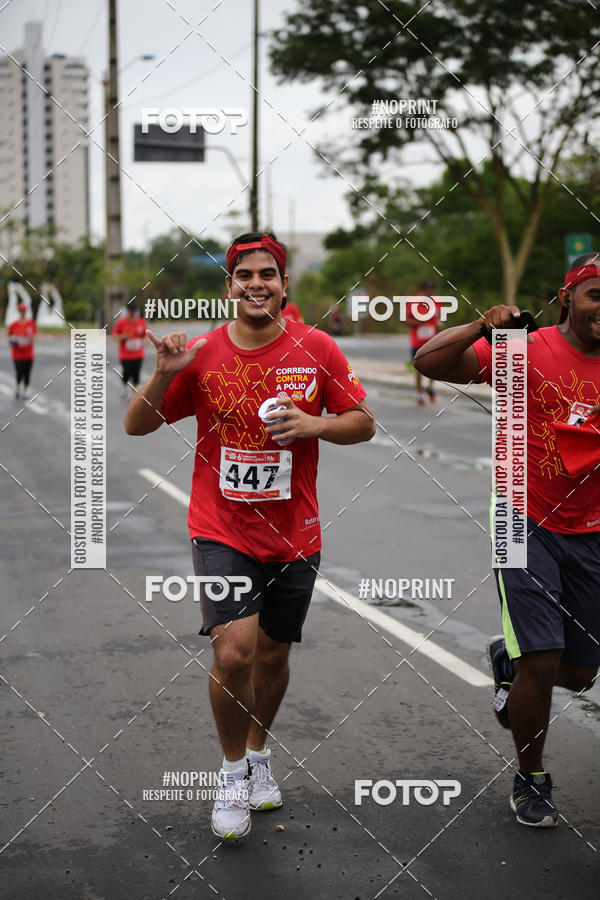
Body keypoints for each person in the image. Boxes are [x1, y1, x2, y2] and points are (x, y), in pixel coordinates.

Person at [124, 232, 375, 839]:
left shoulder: (317, 348)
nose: (256, 283)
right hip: (221, 526)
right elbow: (136, 426)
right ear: (229, 286)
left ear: (284, 285)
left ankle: (259, 755)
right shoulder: (203, 352)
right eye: (245, 275)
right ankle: (232, 772)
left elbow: (363, 423)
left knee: (273, 654)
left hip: (295, 532)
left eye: (268, 274)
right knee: (234, 651)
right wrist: (162, 375)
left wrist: (315, 422)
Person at [413, 253, 600, 828]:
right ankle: (531, 777)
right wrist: (480, 326)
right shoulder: (527, 350)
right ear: (568, 297)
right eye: (597, 294)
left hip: (593, 529)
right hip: (521, 514)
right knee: (542, 661)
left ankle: (504, 659)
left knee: (577, 673)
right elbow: (428, 362)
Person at [406, 280, 441, 405]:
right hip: (418, 342)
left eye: (432, 292)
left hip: (433, 340)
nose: (430, 294)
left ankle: (430, 387)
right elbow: (407, 320)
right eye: (428, 292)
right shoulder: (414, 302)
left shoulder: (436, 301)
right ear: (422, 290)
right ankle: (420, 394)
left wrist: (438, 323)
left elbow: (439, 316)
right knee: (418, 369)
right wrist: (420, 322)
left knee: (436, 367)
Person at [113, 302, 146, 397]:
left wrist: (144, 341)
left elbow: (144, 335)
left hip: (138, 354)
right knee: (126, 373)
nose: (132, 313)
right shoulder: (121, 322)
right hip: (125, 355)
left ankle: (133, 394)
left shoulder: (140, 321)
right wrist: (124, 336)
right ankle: (124, 388)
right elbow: (115, 336)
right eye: (130, 311)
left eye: (134, 311)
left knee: (136, 374)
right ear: (127, 311)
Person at [8, 301, 37, 400]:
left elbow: (35, 335)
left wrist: (30, 338)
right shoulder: (14, 325)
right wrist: (14, 340)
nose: (22, 312)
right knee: (19, 372)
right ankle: (17, 387)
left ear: (26, 311)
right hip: (17, 354)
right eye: (20, 310)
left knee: (27, 373)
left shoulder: (30, 323)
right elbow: (9, 338)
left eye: (23, 310)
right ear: (18, 311)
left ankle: (25, 390)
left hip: (28, 354)